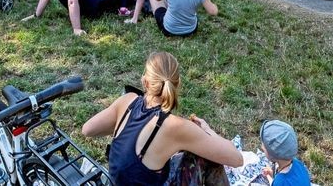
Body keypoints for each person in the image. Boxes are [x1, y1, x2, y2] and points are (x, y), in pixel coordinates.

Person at [81, 52, 242, 184]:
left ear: (145, 82)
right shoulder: (176, 127)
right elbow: (236, 159)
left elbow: (88, 129)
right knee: (206, 158)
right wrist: (207, 130)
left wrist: (123, 126)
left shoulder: (127, 101)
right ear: (177, 85)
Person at [260, 120, 311, 186]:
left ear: (273, 156)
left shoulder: (280, 182)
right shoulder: (298, 164)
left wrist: (271, 178)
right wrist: (270, 176)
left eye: (264, 148)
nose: (261, 147)